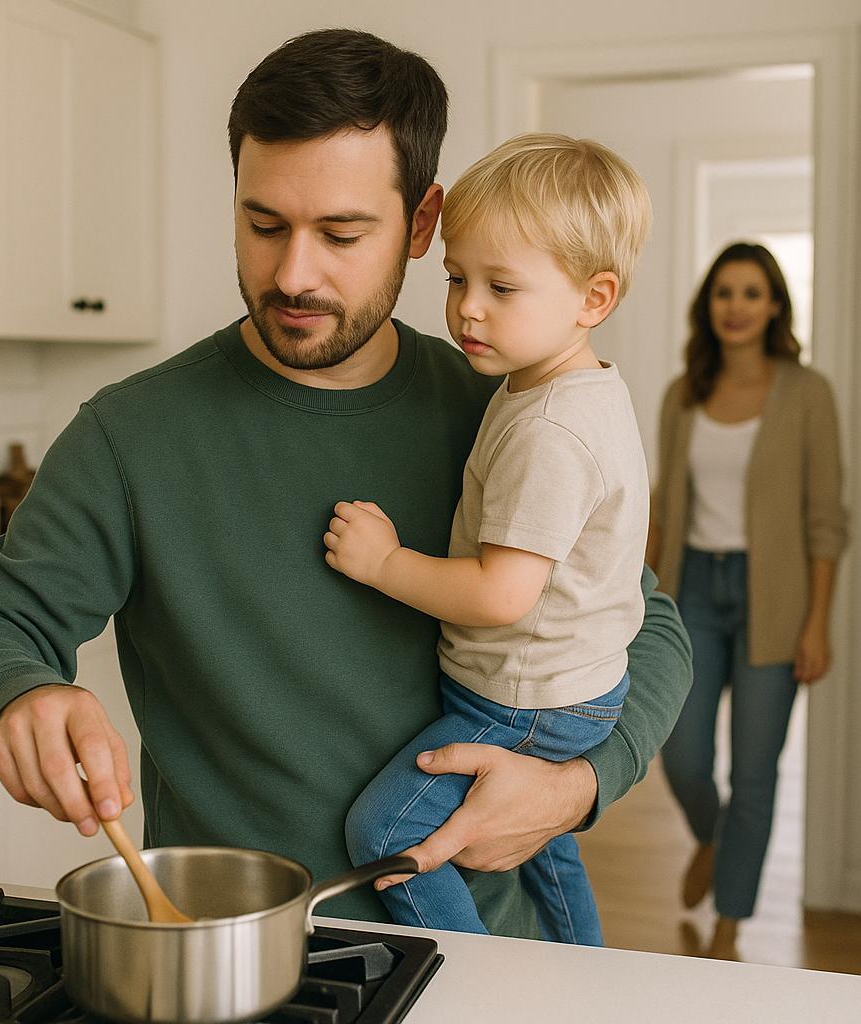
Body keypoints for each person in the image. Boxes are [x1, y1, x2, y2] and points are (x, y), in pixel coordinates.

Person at [0, 28, 692, 935]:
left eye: (340, 233)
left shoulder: (505, 413)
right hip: (239, 952)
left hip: (491, 953)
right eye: (262, 225)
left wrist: (577, 787)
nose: (293, 273)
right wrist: (19, 696)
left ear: (420, 225)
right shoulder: (131, 434)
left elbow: (646, 625)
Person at [323, 133, 651, 944]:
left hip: (525, 700)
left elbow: (504, 595)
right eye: (458, 278)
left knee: (385, 834)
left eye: (501, 286)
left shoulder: (550, 428)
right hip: (572, 687)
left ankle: (464, 969)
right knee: (547, 851)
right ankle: (587, 970)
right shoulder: (567, 386)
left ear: (593, 299)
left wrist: (386, 563)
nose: (468, 306)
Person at [647, 241, 849, 956]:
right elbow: (664, 508)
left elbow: (827, 519)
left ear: (774, 306)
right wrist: (640, 603)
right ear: (709, 305)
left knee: (755, 771)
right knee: (683, 756)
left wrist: (818, 623)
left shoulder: (807, 392)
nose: (737, 306)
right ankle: (713, 835)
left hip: (776, 596)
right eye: (724, 292)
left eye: (752, 293)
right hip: (692, 591)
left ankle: (729, 926)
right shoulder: (683, 394)